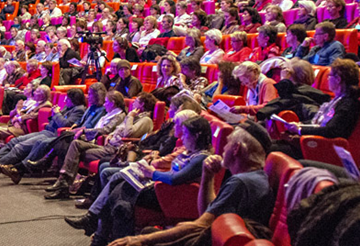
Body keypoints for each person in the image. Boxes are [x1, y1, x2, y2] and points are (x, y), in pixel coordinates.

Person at [108, 121, 274, 246]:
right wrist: (208, 176)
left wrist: (139, 240)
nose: (223, 148)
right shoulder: (253, 177)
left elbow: (200, 225)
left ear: (236, 149)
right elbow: (206, 213)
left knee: (145, 237)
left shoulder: (241, 182)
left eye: (228, 143)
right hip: (215, 237)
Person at [67, 114, 213, 244]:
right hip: (161, 189)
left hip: (169, 197)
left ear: (197, 136)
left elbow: (176, 179)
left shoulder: (201, 157)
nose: (182, 137)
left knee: (119, 195)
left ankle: (98, 230)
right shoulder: (190, 151)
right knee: (119, 192)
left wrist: (152, 173)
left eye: (186, 134)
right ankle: (101, 234)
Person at [45, 91, 155, 200]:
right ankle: (63, 183)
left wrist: (130, 117)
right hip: (108, 145)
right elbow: (118, 129)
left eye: (136, 101)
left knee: (74, 151)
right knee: (75, 144)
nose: (133, 103)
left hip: (116, 150)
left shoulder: (145, 120)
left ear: (142, 105)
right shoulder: (133, 117)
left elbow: (128, 133)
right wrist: (110, 135)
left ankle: (63, 185)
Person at [274, 59, 360, 159]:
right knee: (269, 145)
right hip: (311, 143)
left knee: (272, 150)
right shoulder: (338, 99)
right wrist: (299, 124)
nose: (328, 79)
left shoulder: (349, 103)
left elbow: (330, 130)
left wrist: (300, 129)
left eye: (330, 76)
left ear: (338, 79)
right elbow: (318, 121)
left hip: (322, 149)